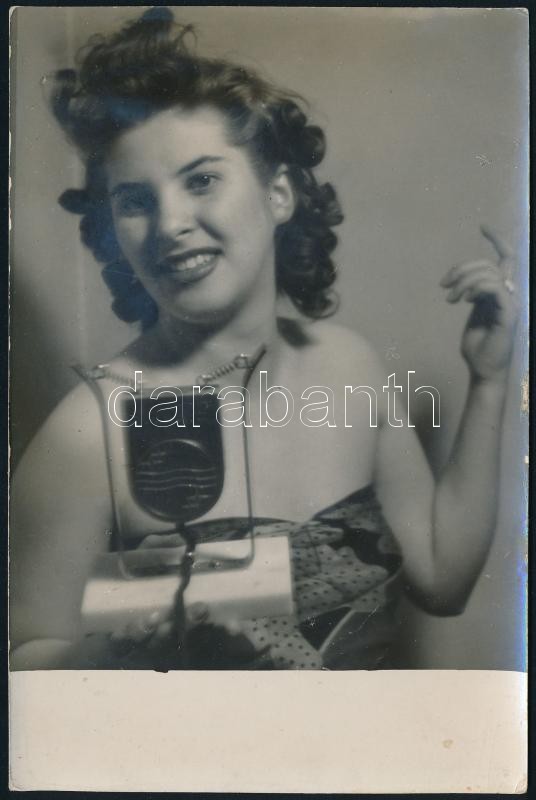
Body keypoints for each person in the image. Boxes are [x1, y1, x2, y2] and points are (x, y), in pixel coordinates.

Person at [10, 9, 518, 670]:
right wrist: (125, 650)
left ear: (278, 194)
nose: (170, 224)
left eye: (201, 180)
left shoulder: (350, 366)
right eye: (135, 201)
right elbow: (20, 661)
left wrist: (489, 379)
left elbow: (443, 581)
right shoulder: (91, 428)